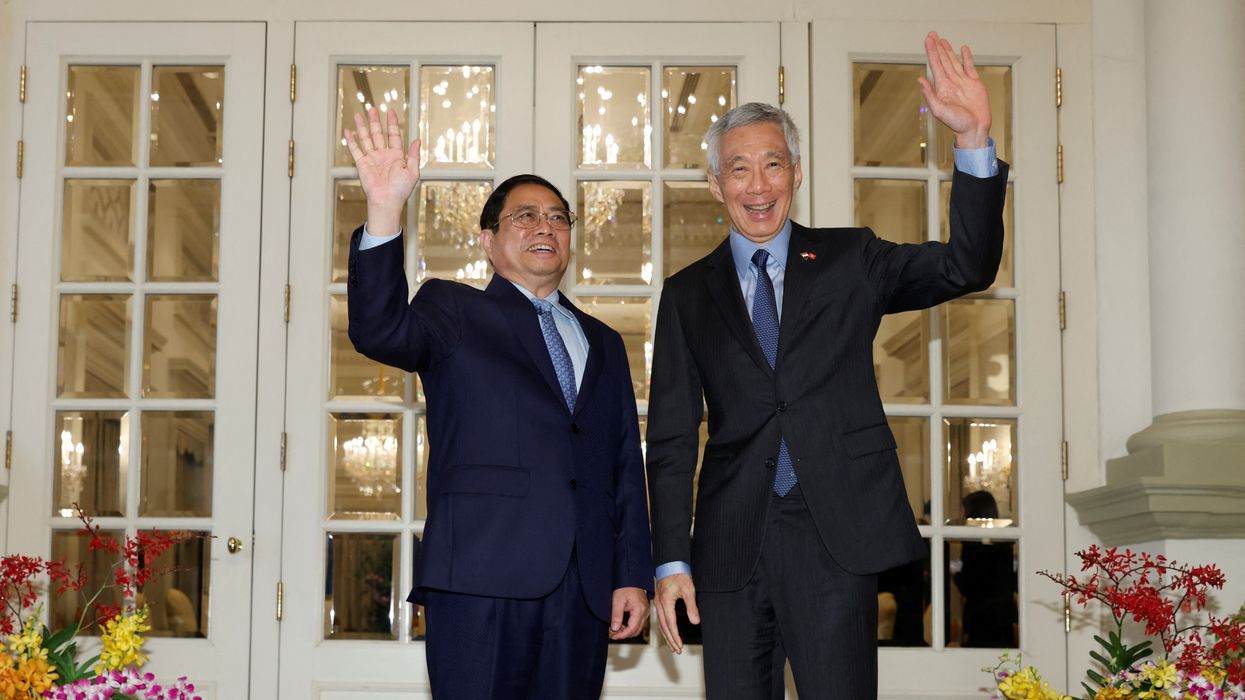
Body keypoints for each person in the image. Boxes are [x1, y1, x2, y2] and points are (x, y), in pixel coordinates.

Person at [645, 32, 1008, 699]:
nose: (757, 185)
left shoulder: (852, 260)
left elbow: (966, 264)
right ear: (713, 182)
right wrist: (670, 558)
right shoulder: (687, 293)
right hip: (729, 546)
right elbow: (669, 437)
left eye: (772, 164)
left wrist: (973, 139)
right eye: (739, 168)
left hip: (832, 531)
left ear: (796, 173)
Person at [343, 107, 653, 700]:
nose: (546, 226)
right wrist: (384, 210)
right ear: (488, 240)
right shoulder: (455, 311)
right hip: (481, 577)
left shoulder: (606, 342)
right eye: (527, 216)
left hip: (584, 585)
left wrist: (631, 575)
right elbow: (379, 331)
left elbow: (623, 467)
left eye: (559, 218)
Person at [953, 491, 1018, 648]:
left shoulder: (972, 545)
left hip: (979, 616)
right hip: (1003, 615)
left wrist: (955, 575)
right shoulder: (1004, 542)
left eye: (964, 511)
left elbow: (969, 586)